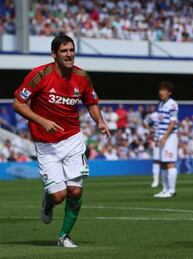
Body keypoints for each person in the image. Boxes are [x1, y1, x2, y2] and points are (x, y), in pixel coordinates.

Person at [12, 35, 110, 248]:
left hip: (72, 139)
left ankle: (64, 236)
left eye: (71, 50)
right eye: (64, 51)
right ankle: (48, 202)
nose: (69, 54)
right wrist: (41, 120)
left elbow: (91, 101)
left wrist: (100, 122)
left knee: (75, 191)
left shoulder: (82, 76)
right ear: (54, 54)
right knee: (58, 195)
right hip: (46, 144)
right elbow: (18, 104)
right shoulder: (40, 75)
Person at [153, 81, 179, 198]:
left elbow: (173, 122)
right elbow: (159, 122)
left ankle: (172, 191)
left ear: (169, 92)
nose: (161, 92)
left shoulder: (172, 104)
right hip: (162, 137)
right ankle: (165, 189)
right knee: (163, 163)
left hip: (170, 137)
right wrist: (157, 137)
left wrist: (164, 137)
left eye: (164, 90)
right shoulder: (161, 104)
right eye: (160, 90)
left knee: (169, 162)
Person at [143, 107, 160, 188]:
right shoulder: (154, 115)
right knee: (156, 160)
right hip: (157, 140)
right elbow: (145, 122)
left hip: (167, 141)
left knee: (167, 162)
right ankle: (155, 180)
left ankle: (166, 181)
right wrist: (150, 129)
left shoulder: (170, 113)